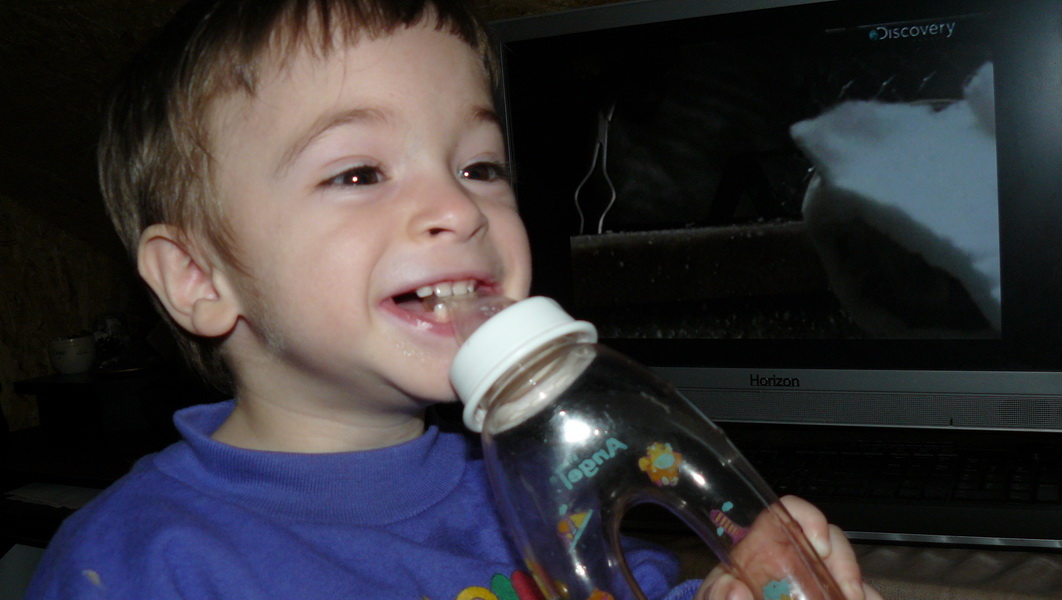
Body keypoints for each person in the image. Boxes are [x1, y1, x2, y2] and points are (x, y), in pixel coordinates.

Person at [26, 0, 883, 599]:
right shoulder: (138, 564)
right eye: (358, 173)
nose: (459, 209)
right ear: (198, 278)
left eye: (480, 166)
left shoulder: (540, 474)